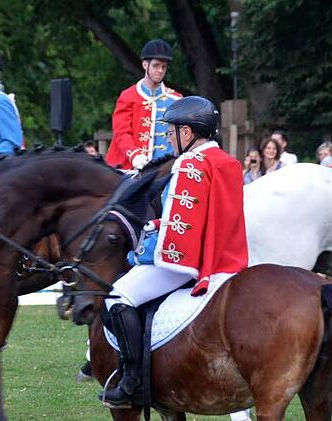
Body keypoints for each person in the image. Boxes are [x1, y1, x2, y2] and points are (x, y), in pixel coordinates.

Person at [98, 96, 248, 407]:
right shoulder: (227, 161)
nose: (168, 137)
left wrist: (140, 252)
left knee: (116, 297)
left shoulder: (189, 164)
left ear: (189, 132)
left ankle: (132, 381)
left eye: (172, 131)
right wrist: (158, 222)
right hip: (228, 260)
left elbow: (178, 233)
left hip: (189, 263)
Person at [105, 39, 182, 170]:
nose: (160, 70)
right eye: (156, 65)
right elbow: (121, 132)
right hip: (130, 167)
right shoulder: (128, 96)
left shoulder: (176, 99)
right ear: (145, 65)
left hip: (165, 169)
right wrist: (135, 155)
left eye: (164, 67)